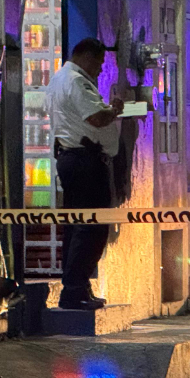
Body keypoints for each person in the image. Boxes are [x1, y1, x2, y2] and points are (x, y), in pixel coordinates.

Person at [48, 37, 123, 311]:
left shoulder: (59, 78)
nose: (100, 70)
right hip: (84, 161)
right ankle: (75, 291)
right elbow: (96, 118)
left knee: (79, 226)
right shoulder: (76, 81)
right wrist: (114, 109)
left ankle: (78, 288)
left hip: (74, 159)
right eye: (99, 63)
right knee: (90, 228)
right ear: (87, 57)